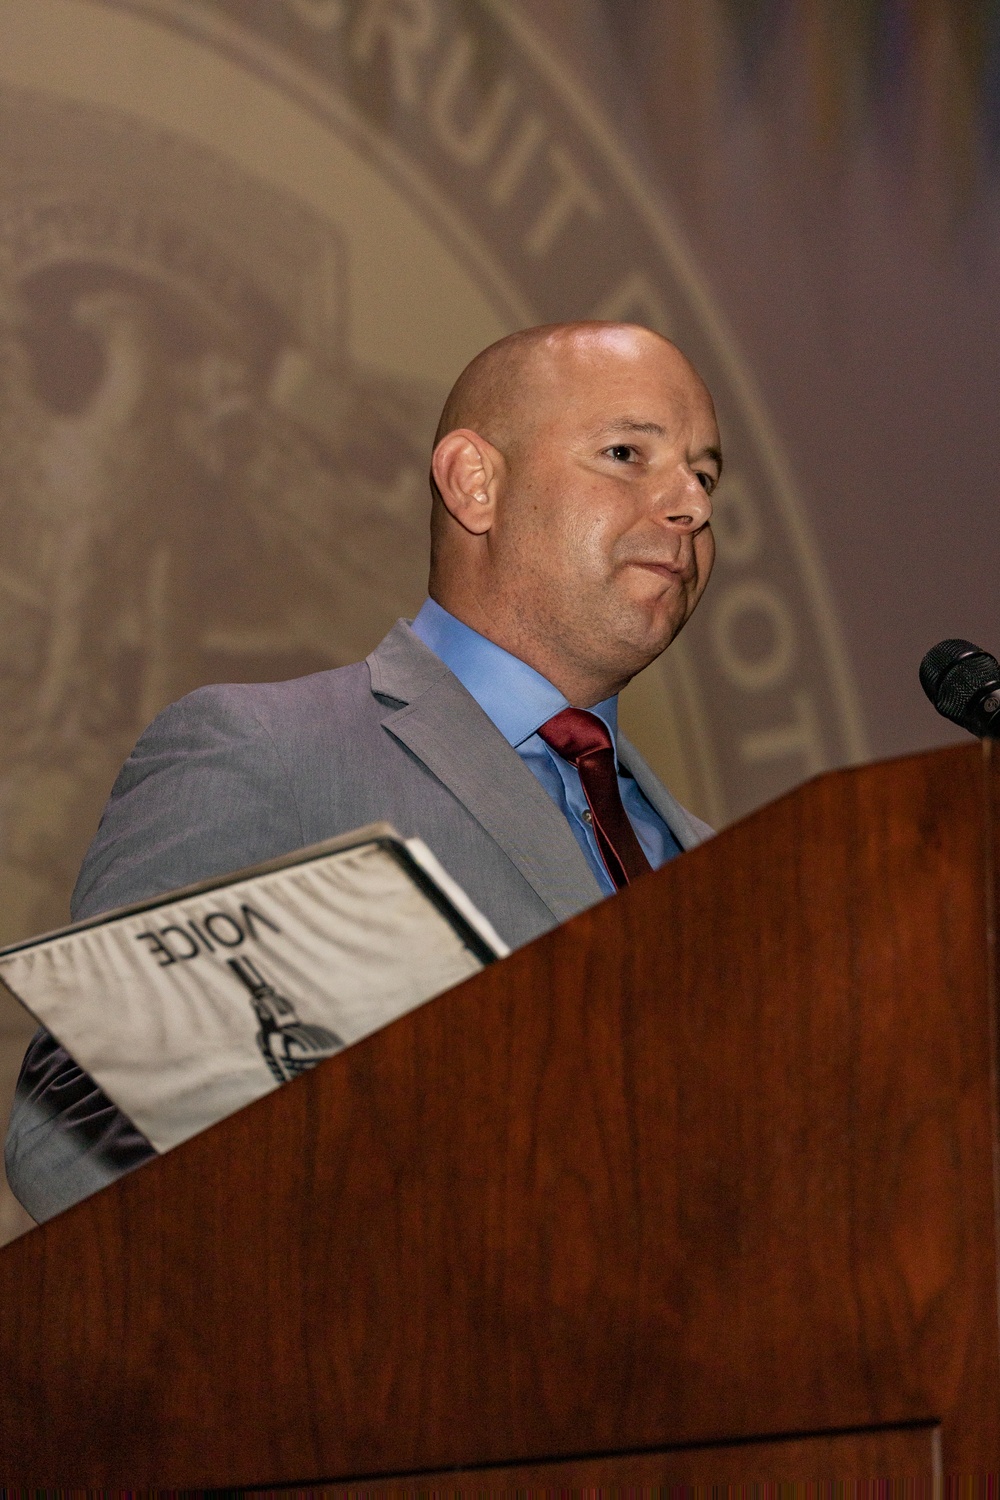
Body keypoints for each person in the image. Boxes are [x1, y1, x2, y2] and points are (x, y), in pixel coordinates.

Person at [5, 320, 721, 1223]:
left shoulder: (724, 866)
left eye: (705, 474)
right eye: (627, 453)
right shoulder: (264, 753)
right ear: (475, 483)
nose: (690, 504)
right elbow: (71, 1135)